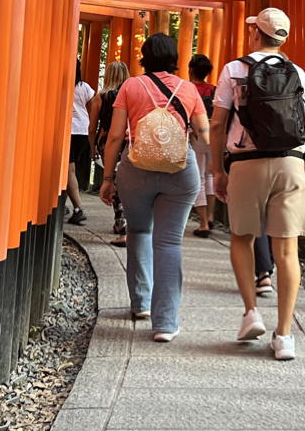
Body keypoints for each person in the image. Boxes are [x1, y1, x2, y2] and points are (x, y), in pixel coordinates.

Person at [211, 8, 305, 361]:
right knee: (286, 251)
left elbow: (217, 124)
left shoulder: (234, 69)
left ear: (256, 34)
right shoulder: (297, 73)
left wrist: (217, 169)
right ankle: (285, 335)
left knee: (242, 237)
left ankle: (250, 312)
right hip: (291, 163)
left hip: (245, 163)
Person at [100, 33, 209, 342]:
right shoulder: (187, 89)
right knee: (170, 243)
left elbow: (115, 136)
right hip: (179, 170)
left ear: (144, 56)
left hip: (136, 169)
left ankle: (141, 304)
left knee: (139, 231)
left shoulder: (131, 86)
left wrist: (108, 178)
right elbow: (202, 133)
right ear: (175, 57)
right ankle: (165, 323)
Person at [89, 61, 130, 246]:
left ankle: (120, 219)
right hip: (127, 140)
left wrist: (92, 147)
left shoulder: (100, 97)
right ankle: (124, 218)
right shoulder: (130, 95)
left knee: (112, 178)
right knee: (125, 180)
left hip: (106, 141)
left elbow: (92, 127)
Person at [187, 54, 218, 238]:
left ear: (191, 69)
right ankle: (212, 215)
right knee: (211, 175)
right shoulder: (213, 89)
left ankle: (204, 223)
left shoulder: (188, 89)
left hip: (196, 135)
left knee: (198, 177)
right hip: (213, 134)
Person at [66, 59, 95, 225]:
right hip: (82, 130)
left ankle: (78, 208)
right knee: (71, 169)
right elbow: (92, 105)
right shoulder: (84, 87)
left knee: (68, 170)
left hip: (69, 130)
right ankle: (70, 206)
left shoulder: (62, 85)